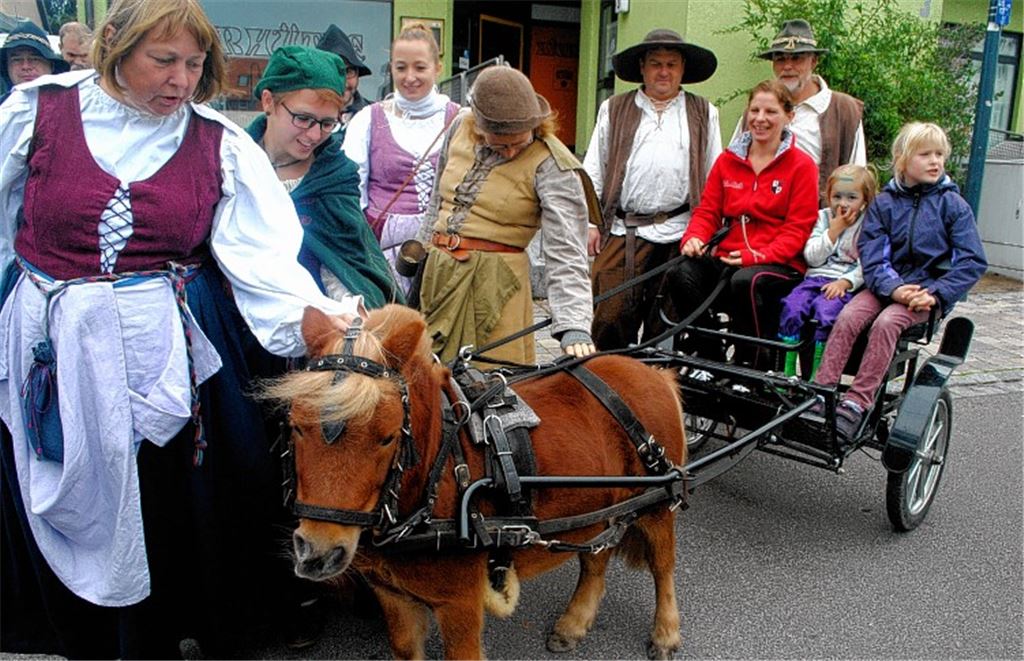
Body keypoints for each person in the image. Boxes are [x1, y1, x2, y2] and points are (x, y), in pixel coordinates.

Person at [0, 0, 363, 658]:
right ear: (116, 44)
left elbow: (260, 257)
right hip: (52, 344)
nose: (181, 80)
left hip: (159, 350)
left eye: (194, 65)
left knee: (158, 498)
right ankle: (81, 634)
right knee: (54, 474)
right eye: (163, 60)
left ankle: (151, 637)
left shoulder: (216, 142)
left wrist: (324, 321)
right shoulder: (37, 112)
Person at [812, 122, 986, 444]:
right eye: (925, 154)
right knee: (848, 315)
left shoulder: (953, 205)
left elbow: (972, 261)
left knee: (887, 323)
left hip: (924, 294)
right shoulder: (885, 203)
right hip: (884, 286)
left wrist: (935, 294)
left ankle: (856, 402)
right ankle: (821, 391)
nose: (935, 161)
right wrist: (893, 287)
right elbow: (871, 253)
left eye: (940, 154)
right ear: (903, 160)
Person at [417, 65, 599, 364]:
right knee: (428, 375)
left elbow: (567, 251)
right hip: (439, 277)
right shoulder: (459, 126)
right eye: (501, 143)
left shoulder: (553, 164)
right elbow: (438, 199)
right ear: (478, 125)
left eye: (519, 143)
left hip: (497, 287)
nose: (511, 152)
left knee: (491, 379)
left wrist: (573, 324)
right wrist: (421, 250)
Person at [665, 79, 819, 367]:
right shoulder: (727, 161)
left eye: (771, 112)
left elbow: (798, 229)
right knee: (681, 272)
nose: (760, 119)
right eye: (755, 110)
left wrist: (757, 256)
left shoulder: (802, 166)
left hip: (779, 264)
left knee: (746, 281)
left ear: (789, 116)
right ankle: (708, 357)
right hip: (730, 258)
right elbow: (708, 211)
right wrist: (695, 237)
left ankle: (754, 365)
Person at [584, 28, 722, 350]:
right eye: (656, 64)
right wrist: (590, 222)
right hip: (623, 230)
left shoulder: (704, 112)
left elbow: (715, 176)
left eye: (671, 64)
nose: (664, 72)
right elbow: (593, 169)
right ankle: (609, 375)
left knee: (666, 324)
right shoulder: (614, 108)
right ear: (642, 68)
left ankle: (655, 378)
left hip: (680, 233)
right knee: (609, 316)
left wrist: (707, 231)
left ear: (683, 69)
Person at [248, 44, 401, 308]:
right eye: (303, 118)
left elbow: (350, 265)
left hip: (316, 318)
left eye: (327, 123)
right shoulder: (233, 164)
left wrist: (350, 310)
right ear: (268, 101)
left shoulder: (337, 176)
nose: (314, 135)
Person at [343, 22, 460, 298]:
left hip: (445, 249)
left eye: (420, 67)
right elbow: (352, 190)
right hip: (382, 254)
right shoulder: (368, 120)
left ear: (437, 68)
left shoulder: (460, 120)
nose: (410, 77)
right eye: (400, 67)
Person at [732, 18, 865, 203]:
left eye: (797, 58)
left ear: (814, 61)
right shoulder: (755, 113)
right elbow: (733, 167)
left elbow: (857, 177)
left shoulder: (843, 110)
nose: (788, 66)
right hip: (759, 214)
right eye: (780, 59)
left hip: (817, 217)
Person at [777, 164, 877, 378]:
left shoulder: (869, 224)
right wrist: (833, 231)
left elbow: (867, 264)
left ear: (864, 200)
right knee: (792, 306)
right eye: (837, 196)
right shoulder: (822, 218)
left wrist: (846, 282)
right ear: (828, 196)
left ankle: (817, 374)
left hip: (842, 283)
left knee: (826, 312)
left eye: (852, 197)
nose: (843, 203)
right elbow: (812, 257)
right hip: (814, 278)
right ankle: (787, 370)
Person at [316, 23, 372, 125]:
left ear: (358, 74)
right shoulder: (301, 117)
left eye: (349, 71)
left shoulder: (376, 118)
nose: (343, 83)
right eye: (334, 71)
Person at [1, 21, 69, 100]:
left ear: (51, 66)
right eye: (17, 60)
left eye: (34, 59)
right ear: (7, 66)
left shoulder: (71, 102)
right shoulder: (3, 105)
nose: (25, 66)